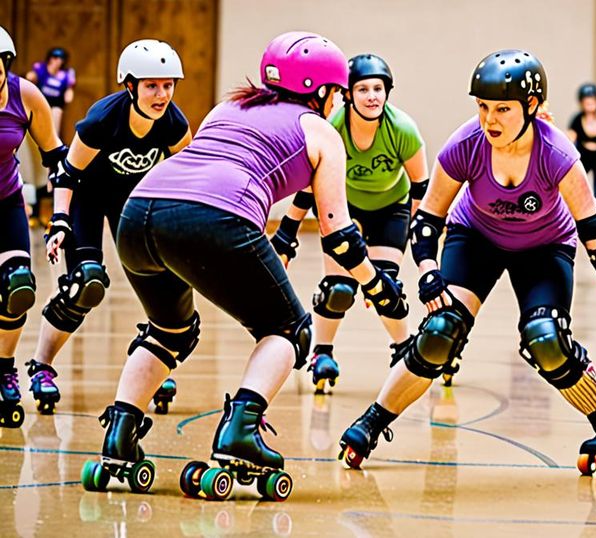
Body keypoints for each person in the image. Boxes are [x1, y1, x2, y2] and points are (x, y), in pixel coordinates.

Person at [79, 31, 407, 500]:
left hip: (140, 210)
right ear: (322, 90)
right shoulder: (322, 132)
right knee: (291, 329)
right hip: (215, 215)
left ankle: (121, 434)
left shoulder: (228, 108)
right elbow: (340, 236)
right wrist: (378, 287)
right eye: (336, 91)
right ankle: (240, 433)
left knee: (170, 330)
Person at [336, 49, 596, 480]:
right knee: (440, 333)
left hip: (545, 246)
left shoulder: (557, 154)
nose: (489, 120)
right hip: (475, 238)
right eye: (482, 107)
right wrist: (427, 272)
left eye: (501, 109)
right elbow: (426, 221)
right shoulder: (466, 144)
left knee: (546, 339)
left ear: (531, 108)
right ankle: (373, 421)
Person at [25, 39, 191, 416]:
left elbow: (187, 175)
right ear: (129, 86)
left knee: (160, 281)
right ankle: (41, 366)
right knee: (86, 283)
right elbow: (67, 174)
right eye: (151, 85)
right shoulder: (102, 120)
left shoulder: (173, 123)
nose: (161, 95)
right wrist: (61, 221)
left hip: (131, 204)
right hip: (86, 197)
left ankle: (153, 360)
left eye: (168, 85)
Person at [271, 53, 428, 393]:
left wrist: (421, 239)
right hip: (342, 209)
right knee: (339, 290)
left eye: (378, 89)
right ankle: (322, 353)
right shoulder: (334, 128)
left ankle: (404, 347)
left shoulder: (402, 130)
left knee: (384, 287)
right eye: (362, 89)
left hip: (391, 209)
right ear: (347, 94)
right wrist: (286, 234)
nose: (372, 96)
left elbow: (421, 190)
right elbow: (309, 189)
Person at [0, 26, 66, 428]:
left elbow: (56, 156)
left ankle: (3, 368)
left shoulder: (25, 96)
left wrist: (61, 215)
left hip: (6, 204)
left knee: (18, 286)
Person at [24, 47, 75, 220]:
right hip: (37, 112)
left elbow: (68, 97)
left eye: (59, 59)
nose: (56, 62)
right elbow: (29, 79)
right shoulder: (40, 69)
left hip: (54, 113)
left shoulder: (66, 75)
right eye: (54, 58)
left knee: (56, 113)